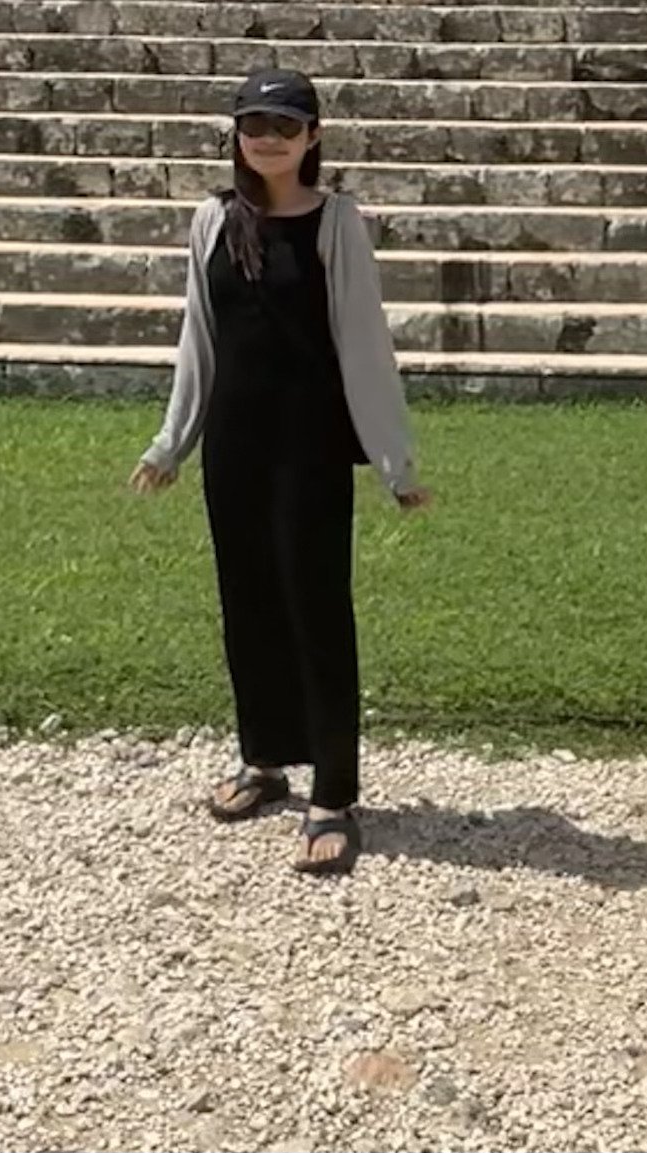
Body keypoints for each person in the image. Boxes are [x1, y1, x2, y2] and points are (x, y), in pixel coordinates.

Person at [129, 65, 430, 878]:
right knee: (248, 601)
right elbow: (199, 339)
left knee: (315, 606)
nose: (267, 138)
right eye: (254, 124)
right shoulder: (212, 218)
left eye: (284, 125)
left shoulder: (336, 222)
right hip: (236, 442)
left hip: (310, 442)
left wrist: (394, 459)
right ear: (235, 133)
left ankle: (333, 793)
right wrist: (170, 443)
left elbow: (363, 344)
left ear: (312, 135)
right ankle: (263, 758)